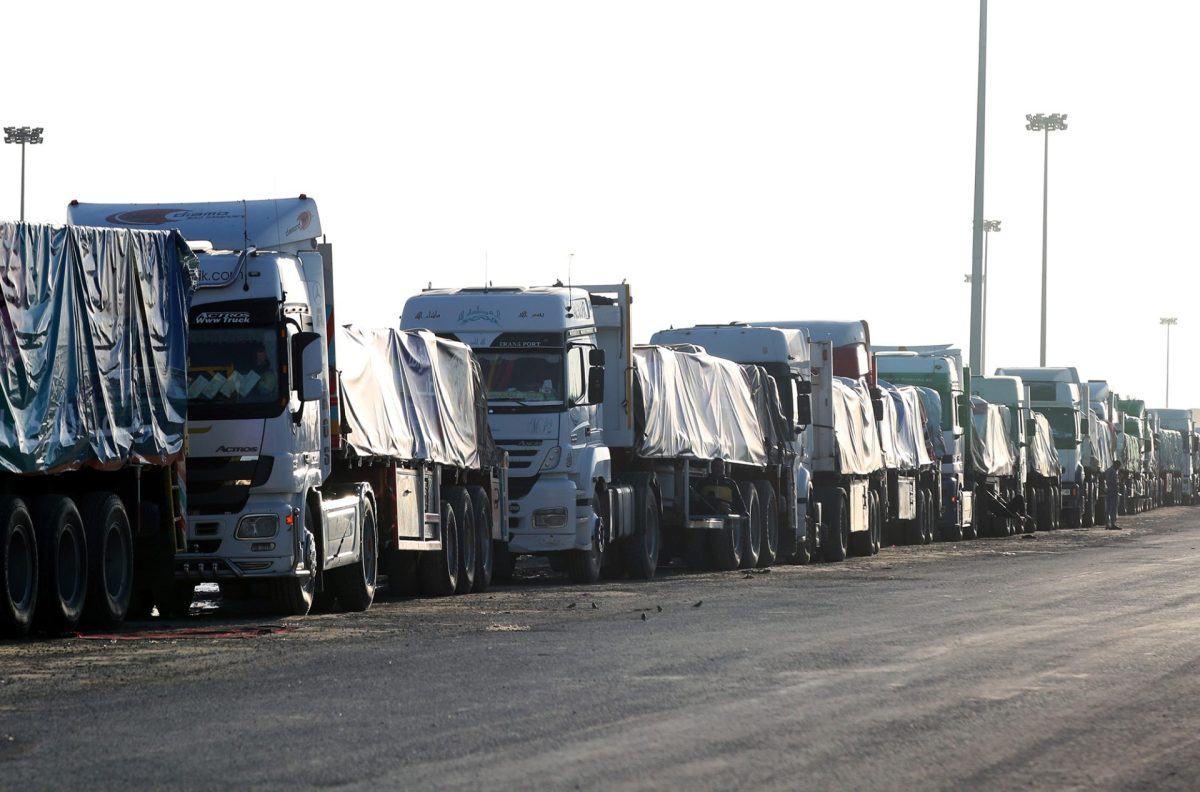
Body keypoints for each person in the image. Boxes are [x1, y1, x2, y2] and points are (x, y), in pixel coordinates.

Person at [1104, 460, 1122, 529]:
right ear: (1116, 465)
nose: (1119, 468)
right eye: (1119, 467)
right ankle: (1112, 524)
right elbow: (1114, 482)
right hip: (1113, 491)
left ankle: (1107, 524)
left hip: (1108, 491)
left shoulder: (1108, 470)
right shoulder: (1113, 472)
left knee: (1108, 508)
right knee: (1113, 507)